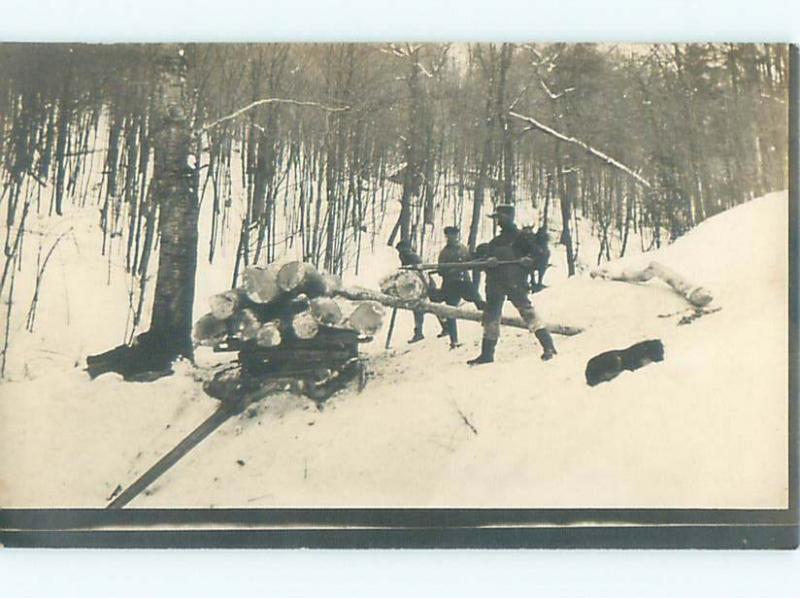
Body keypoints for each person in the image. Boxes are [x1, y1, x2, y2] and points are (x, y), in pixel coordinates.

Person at [467, 204, 557, 365]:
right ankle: (487, 355)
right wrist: (488, 262)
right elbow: (483, 261)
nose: (499, 221)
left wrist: (529, 261)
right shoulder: (495, 241)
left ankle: (548, 346)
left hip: (515, 282)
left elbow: (541, 255)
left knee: (528, 313)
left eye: (501, 217)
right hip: (495, 283)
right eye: (497, 218)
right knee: (491, 317)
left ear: (509, 217)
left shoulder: (522, 237)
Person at [436, 226, 486, 349]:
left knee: (479, 302)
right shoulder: (444, 252)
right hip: (451, 284)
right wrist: (452, 270)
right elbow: (440, 271)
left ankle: (490, 325)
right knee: (450, 311)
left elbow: (470, 262)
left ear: (456, 236)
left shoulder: (463, 248)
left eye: (453, 235)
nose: (451, 238)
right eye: (448, 236)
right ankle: (454, 341)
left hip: (465, 282)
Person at [395, 239, 436, 343]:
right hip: (419, 284)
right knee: (420, 309)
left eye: (402, 250)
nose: (401, 253)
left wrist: (426, 286)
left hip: (422, 284)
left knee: (430, 307)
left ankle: (420, 332)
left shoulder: (410, 257)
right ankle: (419, 333)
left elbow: (420, 272)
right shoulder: (406, 256)